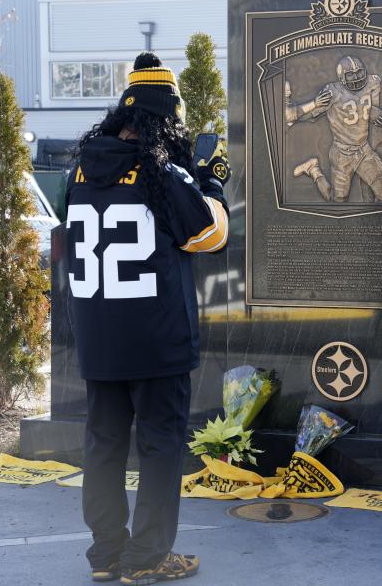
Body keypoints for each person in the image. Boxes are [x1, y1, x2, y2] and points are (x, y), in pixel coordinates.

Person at [64, 51, 230, 584]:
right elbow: (211, 235)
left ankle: (107, 555)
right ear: (165, 119)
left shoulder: (82, 168)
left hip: (99, 339)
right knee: (160, 449)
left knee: (104, 446)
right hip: (156, 339)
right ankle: (148, 557)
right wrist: (212, 181)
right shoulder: (163, 172)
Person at [287, 55, 382, 203]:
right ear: (341, 77)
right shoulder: (332, 92)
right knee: (337, 200)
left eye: (359, 73)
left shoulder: (373, 82)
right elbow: (312, 115)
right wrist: (298, 112)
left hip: (364, 150)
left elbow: (371, 108)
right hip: (342, 154)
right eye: (351, 75)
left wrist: (375, 112)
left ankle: (369, 222)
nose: (356, 78)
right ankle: (314, 170)